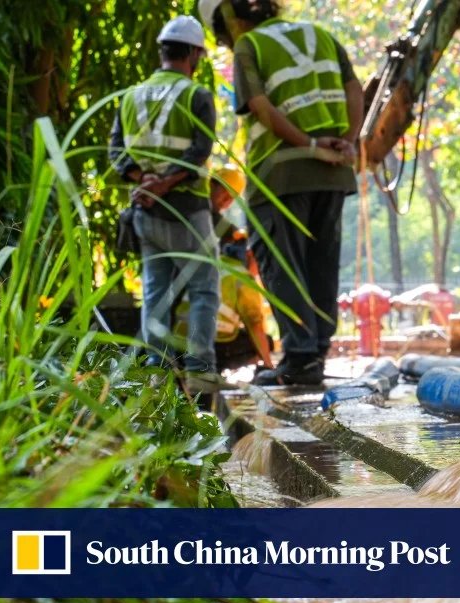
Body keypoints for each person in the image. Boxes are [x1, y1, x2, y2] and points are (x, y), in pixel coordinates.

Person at [200, 0, 364, 385]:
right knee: (321, 264)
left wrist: (307, 143)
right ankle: (315, 353)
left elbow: (259, 105)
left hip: (280, 176)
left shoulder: (249, 46)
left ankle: (301, 357)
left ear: (229, 23)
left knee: (283, 264)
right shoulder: (320, 35)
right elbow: (354, 89)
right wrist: (348, 141)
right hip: (333, 173)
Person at [108, 16, 221, 394]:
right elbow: (199, 151)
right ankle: (201, 379)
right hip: (187, 210)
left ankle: (156, 378)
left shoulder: (130, 96)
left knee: (155, 294)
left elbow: (116, 152)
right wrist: (167, 183)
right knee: (203, 291)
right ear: (193, 54)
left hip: (145, 213)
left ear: (162, 51)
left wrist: (145, 182)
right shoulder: (197, 95)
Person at [175, 166, 277, 373]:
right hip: (206, 336)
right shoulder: (240, 275)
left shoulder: (223, 230)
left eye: (232, 198)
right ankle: (206, 369)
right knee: (262, 339)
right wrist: (268, 367)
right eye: (224, 193)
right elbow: (255, 325)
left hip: (177, 336)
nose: (226, 202)